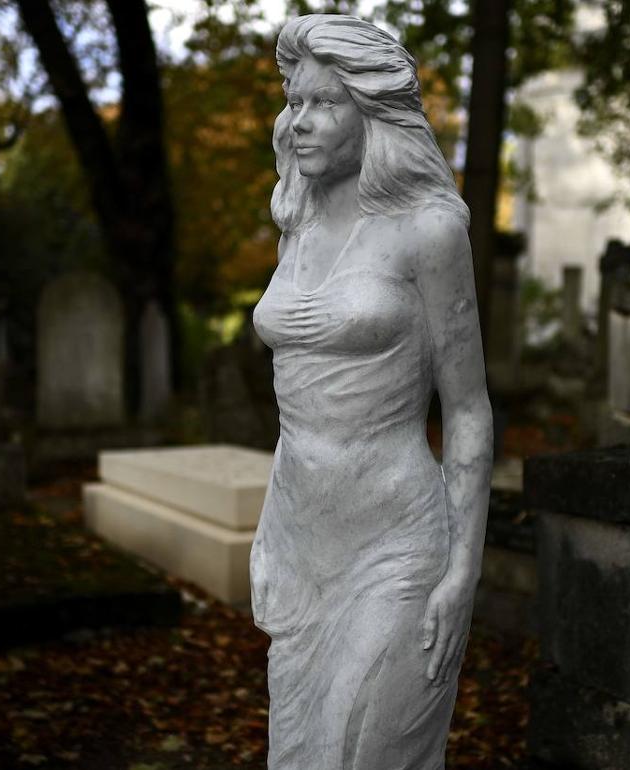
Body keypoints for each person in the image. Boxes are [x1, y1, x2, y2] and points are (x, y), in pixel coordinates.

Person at [251, 14, 493, 770]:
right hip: (300, 540)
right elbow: (299, 411)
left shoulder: (428, 231)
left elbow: (469, 411)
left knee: (365, 755)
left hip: (396, 541)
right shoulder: (297, 220)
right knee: (296, 756)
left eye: (325, 102)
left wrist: (464, 566)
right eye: (295, 101)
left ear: (374, 112)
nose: (301, 122)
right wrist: (269, 523)